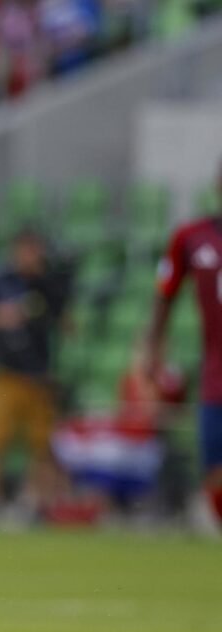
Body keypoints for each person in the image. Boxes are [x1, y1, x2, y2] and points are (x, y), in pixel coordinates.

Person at [0, 228, 70, 523]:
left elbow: (65, 321)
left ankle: (35, 501)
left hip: (40, 375)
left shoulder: (49, 285)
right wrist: (0, 316)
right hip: (7, 373)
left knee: (41, 442)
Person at [143, 163, 222, 526]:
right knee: (214, 473)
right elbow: (165, 294)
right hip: (216, 375)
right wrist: (152, 349)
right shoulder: (191, 236)